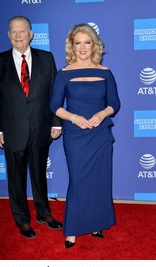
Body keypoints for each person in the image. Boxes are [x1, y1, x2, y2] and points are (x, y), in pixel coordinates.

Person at [0, 15, 63, 239]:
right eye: (14, 31)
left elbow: (54, 94)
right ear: (8, 35)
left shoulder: (47, 58)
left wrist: (56, 122)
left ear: (31, 34)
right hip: (12, 130)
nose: (18, 35)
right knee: (16, 177)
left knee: (39, 174)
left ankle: (43, 213)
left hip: (41, 128)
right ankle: (22, 219)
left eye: (23, 31)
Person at [50, 23, 121, 248]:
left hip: (100, 134)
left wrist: (102, 113)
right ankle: (72, 230)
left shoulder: (105, 72)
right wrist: (73, 118)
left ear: (94, 45)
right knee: (79, 181)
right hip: (76, 135)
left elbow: (115, 104)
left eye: (87, 42)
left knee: (99, 181)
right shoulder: (64, 74)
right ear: (72, 45)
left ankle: (95, 223)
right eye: (78, 42)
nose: (82, 47)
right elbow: (54, 106)